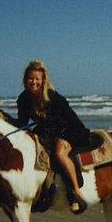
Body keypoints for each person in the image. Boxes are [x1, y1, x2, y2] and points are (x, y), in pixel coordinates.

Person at [16, 60, 90, 213]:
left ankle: (76, 193)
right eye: (30, 78)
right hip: (47, 131)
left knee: (59, 153)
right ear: (25, 80)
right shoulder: (23, 99)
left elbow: (69, 120)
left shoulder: (53, 97)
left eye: (37, 79)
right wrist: (1, 115)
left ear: (43, 80)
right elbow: (21, 123)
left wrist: (62, 138)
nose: (34, 82)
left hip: (69, 129)